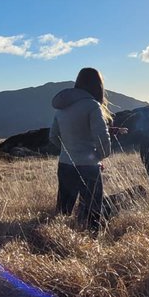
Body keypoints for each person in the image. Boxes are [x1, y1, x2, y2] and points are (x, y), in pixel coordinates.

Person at [49, 68, 116, 231]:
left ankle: (56, 244)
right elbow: (102, 137)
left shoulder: (62, 106)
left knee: (63, 210)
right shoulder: (92, 105)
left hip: (65, 164)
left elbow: (53, 136)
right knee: (93, 211)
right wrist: (99, 156)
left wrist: (68, 151)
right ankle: (91, 245)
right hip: (88, 167)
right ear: (98, 85)